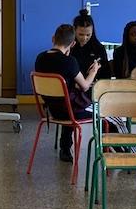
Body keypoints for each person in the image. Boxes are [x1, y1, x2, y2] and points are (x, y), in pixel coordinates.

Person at [35, 23, 100, 162]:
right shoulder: (70, 62)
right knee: (105, 113)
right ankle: (119, 151)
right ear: (73, 44)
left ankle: (65, 149)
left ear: (53, 38)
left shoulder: (40, 58)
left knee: (67, 102)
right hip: (70, 112)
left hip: (52, 111)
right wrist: (93, 71)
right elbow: (85, 86)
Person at [70, 8, 111, 82]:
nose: (84, 38)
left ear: (92, 32)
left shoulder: (99, 48)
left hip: (94, 85)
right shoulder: (68, 47)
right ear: (74, 30)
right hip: (72, 85)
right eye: (81, 34)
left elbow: (106, 74)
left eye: (88, 35)